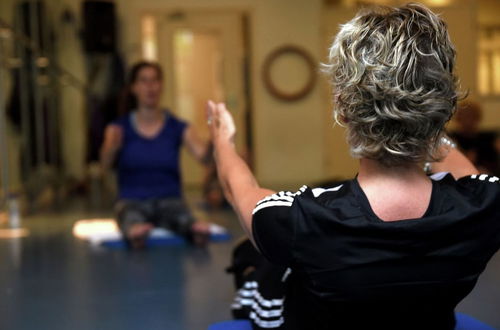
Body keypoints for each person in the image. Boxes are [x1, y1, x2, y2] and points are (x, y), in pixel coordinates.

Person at [207, 3, 499, 330]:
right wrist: (421, 121)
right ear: (444, 107)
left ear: (343, 108)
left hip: (291, 306)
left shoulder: (300, 218)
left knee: (261, 265)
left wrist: (223, 139)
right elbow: (466, 171)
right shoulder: (487, 204)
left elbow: (238, 188)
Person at [100, 61, 211, 248]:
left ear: (161, 85)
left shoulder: (179, 127)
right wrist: (111, 148)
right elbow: (104, 166)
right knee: (129, 216)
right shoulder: (117, 128)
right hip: (132, 201)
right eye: (144, 81)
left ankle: (192, 228)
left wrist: (217, 140)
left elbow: (205, 159)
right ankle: (135, 230)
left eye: (154, 81)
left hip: (170, 200)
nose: (150, 87)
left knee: (182, 216)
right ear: (134, 88)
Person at [449, 100, 499, 175]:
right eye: (465, 116)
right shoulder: (450, 139)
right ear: (458, 118)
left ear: (477, 117)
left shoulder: (489, 138)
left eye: (471, 115)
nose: (468, 120)